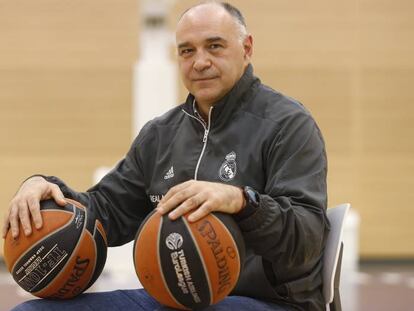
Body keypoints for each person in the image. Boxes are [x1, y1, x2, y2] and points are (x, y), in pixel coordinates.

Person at [3, 1, 329, 310]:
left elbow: (308, 239)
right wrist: (47, 190)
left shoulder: (287, 125)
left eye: (214, 46)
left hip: (269, 302)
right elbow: (108, 211)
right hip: (174, 299)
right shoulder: (160, 135)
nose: (200, 62)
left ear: (246, 49)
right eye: (187, 51)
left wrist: (243, 201)